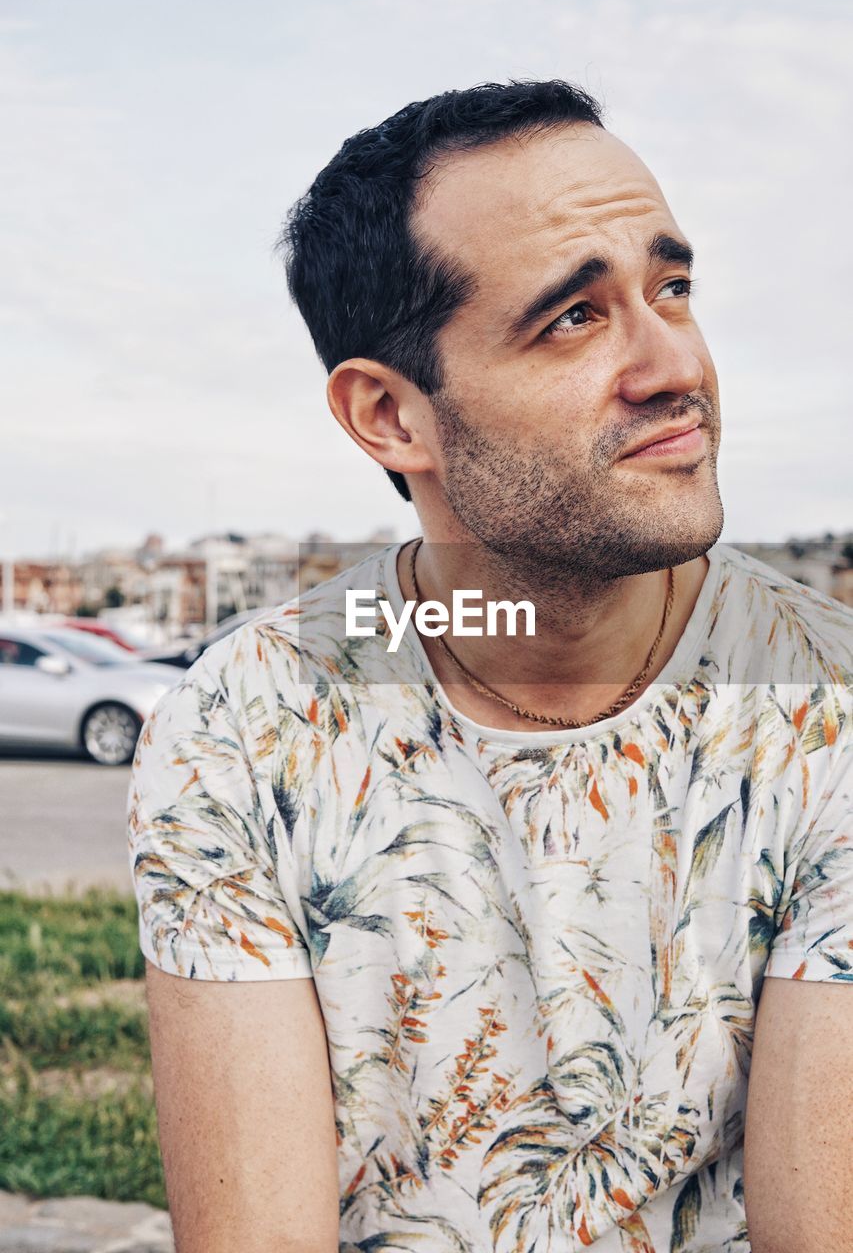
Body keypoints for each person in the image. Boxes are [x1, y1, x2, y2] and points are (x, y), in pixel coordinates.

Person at [127, 80, 853, 1253]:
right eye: (573, 317)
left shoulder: (826, 709)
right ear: (389, 417)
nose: (676, 364)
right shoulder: (245, 727)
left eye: (671, 288)